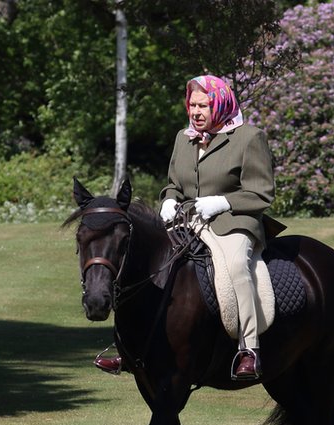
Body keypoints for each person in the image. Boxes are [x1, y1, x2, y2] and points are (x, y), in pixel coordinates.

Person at [95, 75, 275, 380]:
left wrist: (223, 203)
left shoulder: (249, 138)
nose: (196, 112)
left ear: (220, 103)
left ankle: (249, 349)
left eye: (203, 105)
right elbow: (174, 185)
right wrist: (169, 200)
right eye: (192, 105)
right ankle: (128, 349)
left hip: (233, 222)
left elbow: (261, 193)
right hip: (188, 221)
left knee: (235, 266)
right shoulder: (184, 137)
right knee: (146, 263)